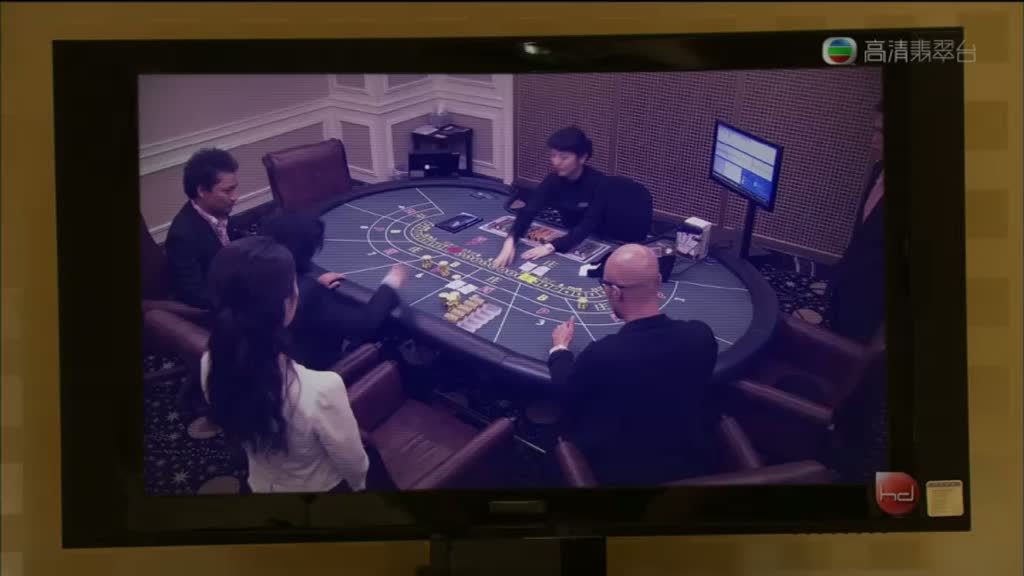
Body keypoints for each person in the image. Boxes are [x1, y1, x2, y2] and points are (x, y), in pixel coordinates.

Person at [200, 236, 369, 493]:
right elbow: (354, 466)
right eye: (295, 284)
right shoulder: (321, 389)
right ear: (287, 304)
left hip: (258, 482)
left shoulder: (209, 363)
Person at [548, 244, 719, 486]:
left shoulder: (604, 354)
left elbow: (567, 391)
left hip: (618, 471)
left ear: (615, 292)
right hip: (693, 460)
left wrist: (560, 348)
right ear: (658, 281)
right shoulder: (700, 335)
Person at [261, 211, 408, 371]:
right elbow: (364, 324)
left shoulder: (257, 272)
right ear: (304, 249)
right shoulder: (308, 293)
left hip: (272, 360)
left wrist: (311, 283)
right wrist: (392, 282)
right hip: (317, 370)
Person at [493, 127, 609, 268]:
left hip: (602, 237)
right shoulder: (553, 180)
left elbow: (587, 226)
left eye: (564, 157)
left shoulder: (599, 183)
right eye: (553, 155)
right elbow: (528, 211)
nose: (556, 162)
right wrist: (510, 241)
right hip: (566, 229)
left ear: (582, 158)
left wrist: (551, 247)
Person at [827, 102, 885, 343]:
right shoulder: (878, 169)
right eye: (875, 130)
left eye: (883, 133)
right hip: (847, 282)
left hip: (871, 301)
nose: (874, 140)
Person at [165, 148, 241, 309]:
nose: (235, 197)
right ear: (201, 191)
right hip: (219, 309)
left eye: (235, 188)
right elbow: (194, 294)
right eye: (228, 190)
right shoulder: (182, 236)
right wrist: (242, 296)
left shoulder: (222, 212)